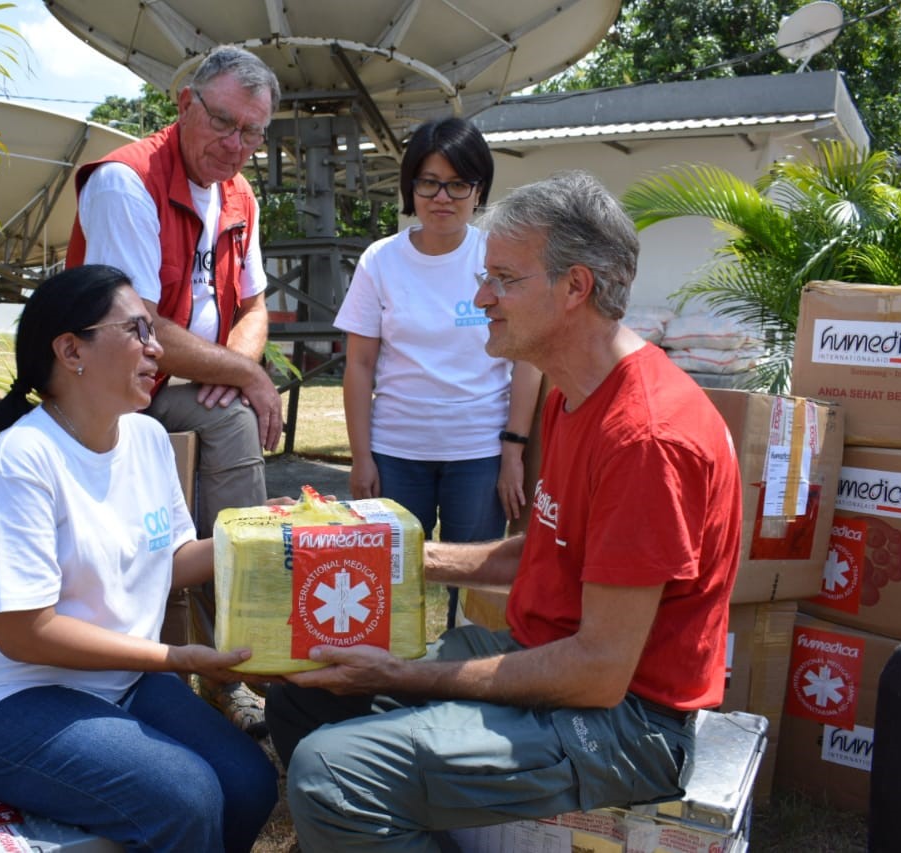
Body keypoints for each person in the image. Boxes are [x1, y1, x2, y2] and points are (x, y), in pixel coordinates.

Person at [265, 171, 743, 851]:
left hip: (626, 722)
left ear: (575, 287)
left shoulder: (646, 438)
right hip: (546, 658)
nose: (481, 297)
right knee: (303, 695)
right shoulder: (573, 390)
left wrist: (403, 673)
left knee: (328, 776)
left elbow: (599, 670)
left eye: (503, 279)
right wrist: (360, 543)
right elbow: (542, 550)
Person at [0, 265, 277, 853]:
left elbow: (166, 559)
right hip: (9, 700)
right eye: (138, 330)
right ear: (71, 350)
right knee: (187, 797)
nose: (156, 347)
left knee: (249, 784)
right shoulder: (25, 462)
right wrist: (176, 656)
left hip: (119, 681)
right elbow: (24, 632)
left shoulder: (145, 439)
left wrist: (258, 532)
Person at [66, 44, 283, 735]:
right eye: (224, 123)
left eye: (253, 132)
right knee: (225, 427)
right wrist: (243, 373)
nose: (237, 145)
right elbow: (139, 324)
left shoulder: (240, 194)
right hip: (111, 385)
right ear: (184, 103)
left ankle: (232, 658)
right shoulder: (126, 182)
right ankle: (199, 656)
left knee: (231, 423)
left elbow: (253, 306)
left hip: (183, 380)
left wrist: (234, 368)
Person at [334, 117, 542, 629]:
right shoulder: (380, 260)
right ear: (410, 187)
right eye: (428, 182)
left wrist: (513, 451)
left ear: (479, 189)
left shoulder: (498, 257)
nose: (442, 197)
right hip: (396, 452)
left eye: (458, 183)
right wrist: (361, 458)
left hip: (478, 453)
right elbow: (359, 366)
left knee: (476, 591)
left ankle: (462, 687)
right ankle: (388, 684)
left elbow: (527, 358)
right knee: (385, 582)